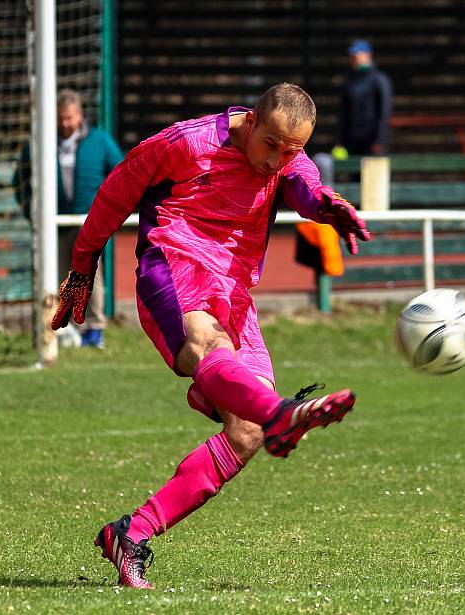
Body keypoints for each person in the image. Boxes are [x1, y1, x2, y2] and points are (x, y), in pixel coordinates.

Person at [51, 83, 371, 589]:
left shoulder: (289, 157)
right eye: (271, 144)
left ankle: (129, 534)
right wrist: (82, 264)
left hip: (234, 289)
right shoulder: (187, 142)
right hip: (174, 263)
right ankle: (283, 414)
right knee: (208, 349)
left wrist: (326, 206)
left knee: (246, 433)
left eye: (291, 150)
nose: (277, 160)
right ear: (251, 122)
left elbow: (307, 187)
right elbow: (117, 189)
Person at [14, 88, 123, 348]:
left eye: (69, 118)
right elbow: (19, 181)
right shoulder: (39, 143)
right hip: (53, 221)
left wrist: (110, 212)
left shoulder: (99, 141)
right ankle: (63, 327)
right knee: (57, 275)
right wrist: (33, 212)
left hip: (89, 221)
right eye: (61, 118)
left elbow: (122, 172)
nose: (65, 123)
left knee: (89, 274)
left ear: (79, 116)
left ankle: (94, 330)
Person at [338, 39, 393, 157]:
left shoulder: (380, 79)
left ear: (368, 56)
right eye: (352, 56)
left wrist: (379, 140)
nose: (354, 59)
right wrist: (341, 141)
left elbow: (384, 112)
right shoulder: (348, 81)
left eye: (357, 55)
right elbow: (345, 113)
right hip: (353, 142)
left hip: (373, 143)